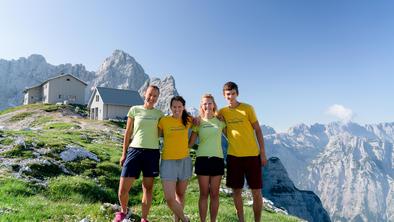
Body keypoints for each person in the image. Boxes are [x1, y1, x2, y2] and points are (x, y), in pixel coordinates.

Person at [219, 81, 267, 222]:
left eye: (233, 93)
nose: (231, 97)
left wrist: (262, 153)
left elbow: (258, 130)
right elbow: (214, 122)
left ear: (237, 94)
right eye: (228, 94)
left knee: (257, 192)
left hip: (252, 155)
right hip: (234, 156)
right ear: (224, 95)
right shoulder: (222, 112)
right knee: (236, 192)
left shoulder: (247, 109)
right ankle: (241, 220)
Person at [114, 85, 164, 222]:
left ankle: (144, 218)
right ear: (144, 94)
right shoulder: (134, 110)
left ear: (158, 98)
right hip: (134, 151)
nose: (152, 98)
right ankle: (124, 211)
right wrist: (124, 153)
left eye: (155, 96)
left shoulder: (159, 114)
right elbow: (128, 133)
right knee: (122, 190)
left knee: (147, 189)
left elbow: (165, 131)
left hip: (152, 153)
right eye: (150, 94)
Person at [189, 94, 226, 222]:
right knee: (204, 194)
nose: (207, 105)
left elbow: (232, 137)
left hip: (217, 159)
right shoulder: (198, 122)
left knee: (215, 194)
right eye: (205, 103)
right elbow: (190, 143)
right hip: (202, 159)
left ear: (214, 105)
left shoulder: (220, 121)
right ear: (202, 106)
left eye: (210, 103)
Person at [158, 96, 192, 222]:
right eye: (174, 107)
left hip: (184, 161)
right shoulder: (164, 121)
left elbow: (200, 122)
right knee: (169, 198)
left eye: (179, 107)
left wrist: (190, 143)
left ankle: (177, 220)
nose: (177, 109)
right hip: (168, 162)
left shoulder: (188, 120)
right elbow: (155, 133)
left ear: (183, 107)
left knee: (181, 194)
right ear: (170, 107)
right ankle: (185, 219)